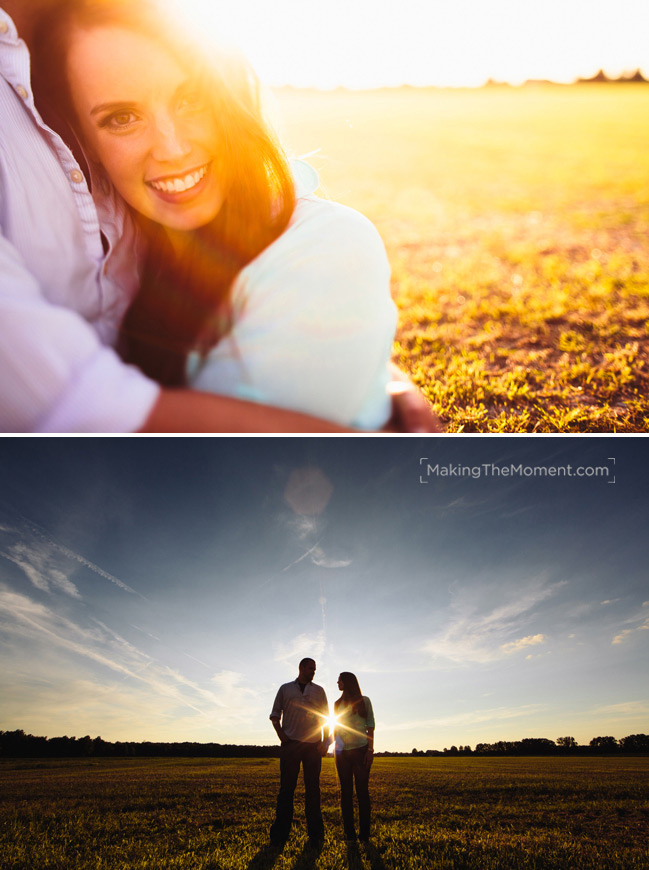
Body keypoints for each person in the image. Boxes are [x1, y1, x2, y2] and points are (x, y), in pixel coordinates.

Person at [13, 0, 443, 432]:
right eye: (121, 118)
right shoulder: (155, 248)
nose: (172, 148)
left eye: (191, 99)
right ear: (86, 148)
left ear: (231, 96)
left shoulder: (330, 243)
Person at [269, 657, 330, 849]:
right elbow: (275, 714)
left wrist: (325, 741)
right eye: (311, 668)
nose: (314, 671)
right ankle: (279, 836)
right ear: (301, 668)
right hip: (291, 746)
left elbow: (326, 717)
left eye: (315, 669)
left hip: (313, 746)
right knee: (286, 790)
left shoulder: (319, 690)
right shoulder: (285, 689)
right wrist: (281, 735)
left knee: (313, 790)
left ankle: (316, 836)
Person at [333, 672, 375, 843]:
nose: (337, 682)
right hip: (342, 754)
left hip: (361, 751)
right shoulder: (337, 704)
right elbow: (336, 727)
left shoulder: (365, 701)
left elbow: (370, 726)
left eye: (340, 680)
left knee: (362, 793)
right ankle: (349, 834)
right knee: (346, 793)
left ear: (347, 682)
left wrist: (370, 750)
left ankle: (364, 834)